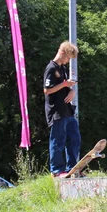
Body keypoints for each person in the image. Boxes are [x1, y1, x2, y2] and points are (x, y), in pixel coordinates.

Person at [44, 41, 81, 176]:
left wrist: (71, 90)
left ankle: (72, 167)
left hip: (67, 110)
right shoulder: (51, 68)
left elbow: (65, 86)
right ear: (62, 53)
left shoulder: (62, 69)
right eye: (67, 58)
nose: (67, 61)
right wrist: (65, 84)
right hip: (56, 111)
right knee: (58, 140)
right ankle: (57, 170)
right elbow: (47, 90)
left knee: (74, 138)